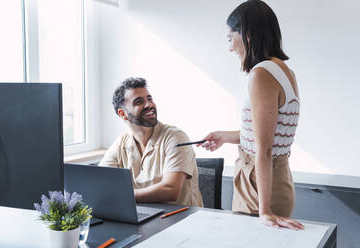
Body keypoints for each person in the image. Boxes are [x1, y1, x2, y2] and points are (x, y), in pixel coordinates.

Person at [198, 0, 304, 230]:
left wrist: (264, 210)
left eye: (229, 38)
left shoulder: (261, 74)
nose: (229, 47)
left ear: (246, 35)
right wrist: (224, 136)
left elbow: (264, 150)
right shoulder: (284, 71)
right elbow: (268, 135)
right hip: (272, 178)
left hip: (259, 184)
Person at [99, 77, 203, 207]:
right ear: (123, 114)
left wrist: (122, 195)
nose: (149, 105)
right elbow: (100, 183)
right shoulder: (121, 143)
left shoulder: (175, 137)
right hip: (143, 217)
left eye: (150, 99)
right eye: (139, 102)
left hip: (181, 220)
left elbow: (170, 190)